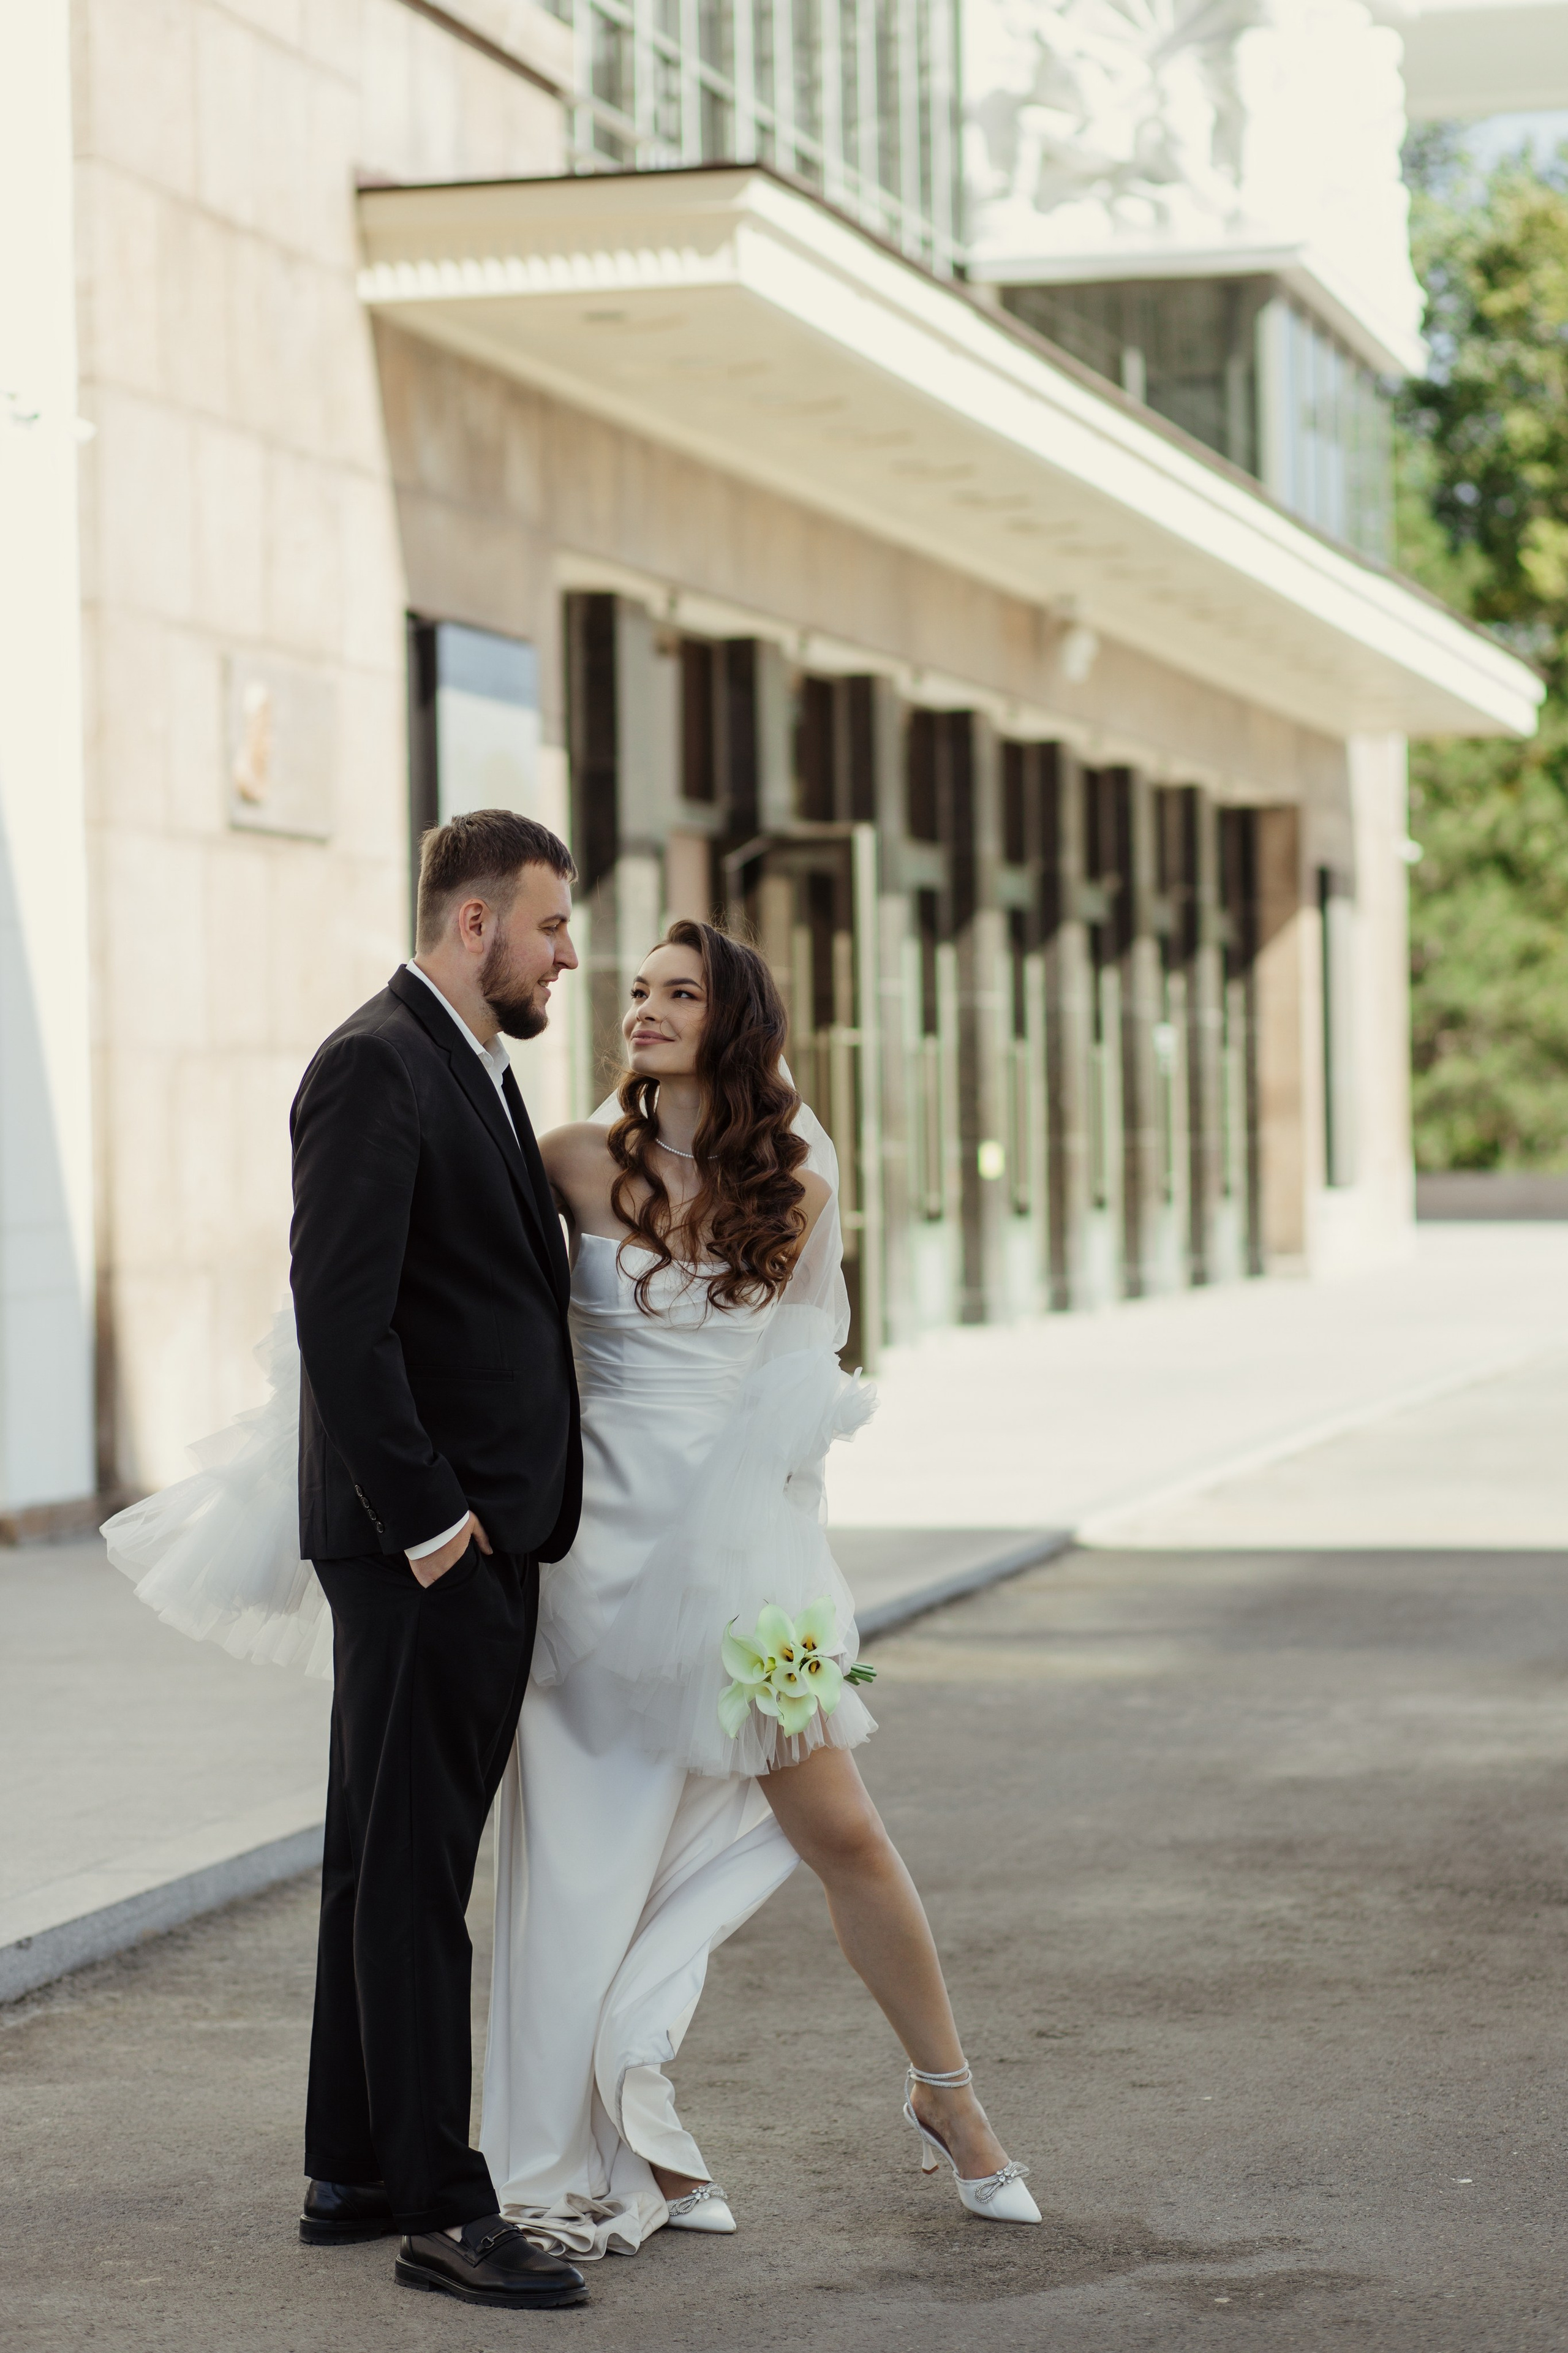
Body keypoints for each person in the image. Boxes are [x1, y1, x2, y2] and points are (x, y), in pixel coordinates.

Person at [477, 916, 1039, 2255]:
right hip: (589, 1578)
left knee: (841, 1827)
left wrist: (799, 1579)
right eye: (637, 990)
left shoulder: (795, 1177)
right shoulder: (559, 1158)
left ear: (733, 1022)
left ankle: (947, 2099)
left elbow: (794, 1401)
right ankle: (626, 2144)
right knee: (583, 1869)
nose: (645, 1009)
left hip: (739, 1574)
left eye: (679, 993)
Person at [286, 809, 589, 2310]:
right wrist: (433, 1530)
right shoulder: (374, 1062)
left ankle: (351, 2162)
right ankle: (440, 2205)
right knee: (416, 1874)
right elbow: (341, 1321)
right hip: (428, 1545)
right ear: (474, 924)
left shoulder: (467, 1064)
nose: (567, 954)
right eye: (548, 926)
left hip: (456, 1533)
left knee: (375, 1854)